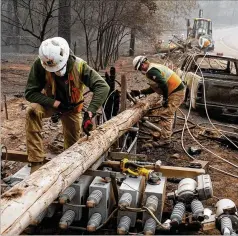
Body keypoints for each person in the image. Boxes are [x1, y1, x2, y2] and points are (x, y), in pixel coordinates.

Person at [25, 37, 109, 173]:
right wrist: (53, 103)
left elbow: (103, 87)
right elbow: (30, 93)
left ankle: (68, 169)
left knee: (72, 147)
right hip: (51, 104)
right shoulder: (41, 64)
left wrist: (90, 112)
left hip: (73, 108)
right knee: (32, 111)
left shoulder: (80, 65)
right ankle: (36, 161)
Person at [131, 56, 185, 146]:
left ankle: (165, 140)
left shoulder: (151, 71)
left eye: (140, 68)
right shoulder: (153, 67)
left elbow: (163, 83)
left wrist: (165, 98)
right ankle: (165, 134)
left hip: (176, 91)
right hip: (175, 90)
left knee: (166, 114)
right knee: (166, 113)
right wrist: (141, 92)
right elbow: (156, 87)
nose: (141, 71)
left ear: (143, 64)